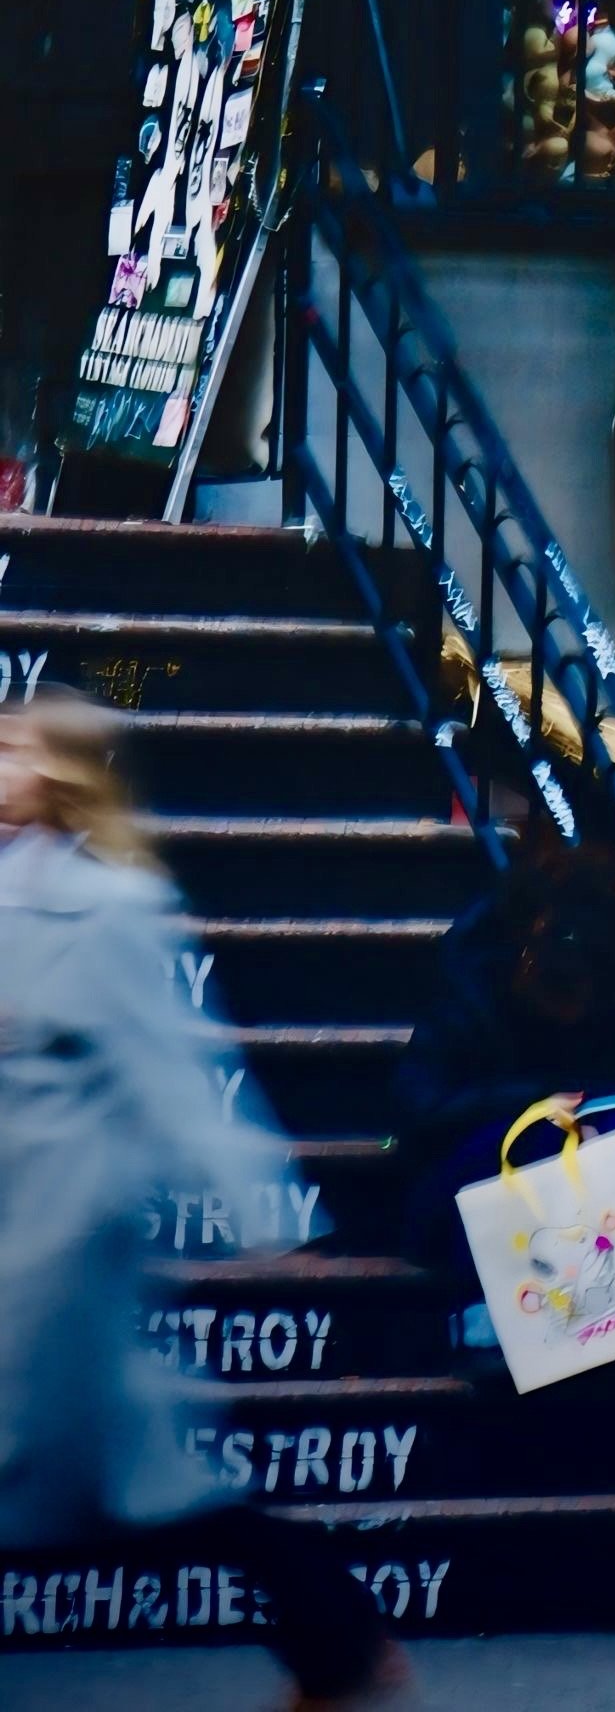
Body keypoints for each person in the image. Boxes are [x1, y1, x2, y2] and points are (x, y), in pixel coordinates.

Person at [0, 693, 399, 1704]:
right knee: (149, 1484)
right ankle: (340, 1643)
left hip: (63, 1235)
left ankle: (342, 1645)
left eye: (12, 747)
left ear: (58, 775)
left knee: (153, 1486)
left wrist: (265, 1208)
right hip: (21, 1216)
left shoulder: (110, 908)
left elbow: (179, 1071)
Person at [393, 833, 615, 1313]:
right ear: (526, 954)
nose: (563, 1006)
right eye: (554, 984)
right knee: (545, 1142)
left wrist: (603, 1107)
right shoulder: (472, 989)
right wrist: (537, 1103)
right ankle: (499, 1315)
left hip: (581, 1218)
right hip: (468, 1189)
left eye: (577, 990)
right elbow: (418, 1113)